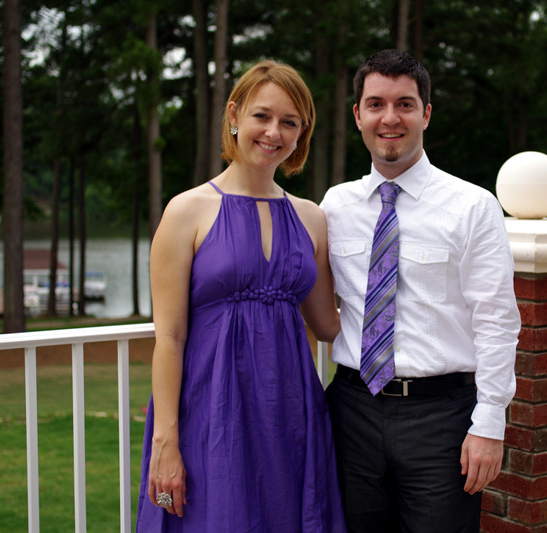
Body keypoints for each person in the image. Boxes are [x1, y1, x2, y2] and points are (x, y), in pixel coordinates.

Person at [136, 59, 347, 532]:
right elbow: (168, 336)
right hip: (210, 415)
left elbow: (329, 325)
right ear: (234, 115)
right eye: (262, 116)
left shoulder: (311, 217)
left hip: (289, 415)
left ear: (301, 133)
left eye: (289, 122)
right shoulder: (186, 211)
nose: (274, 131)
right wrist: (166, 441)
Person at [320, 49, 521, 533]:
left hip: (440, 420)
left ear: (426, 114)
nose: (390, 118)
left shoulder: (473, 206)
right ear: (358, 115)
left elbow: (496, 320)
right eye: (376, 104)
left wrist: (489, 424)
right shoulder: (334, 206)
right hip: (351, 413)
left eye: (405, 104)